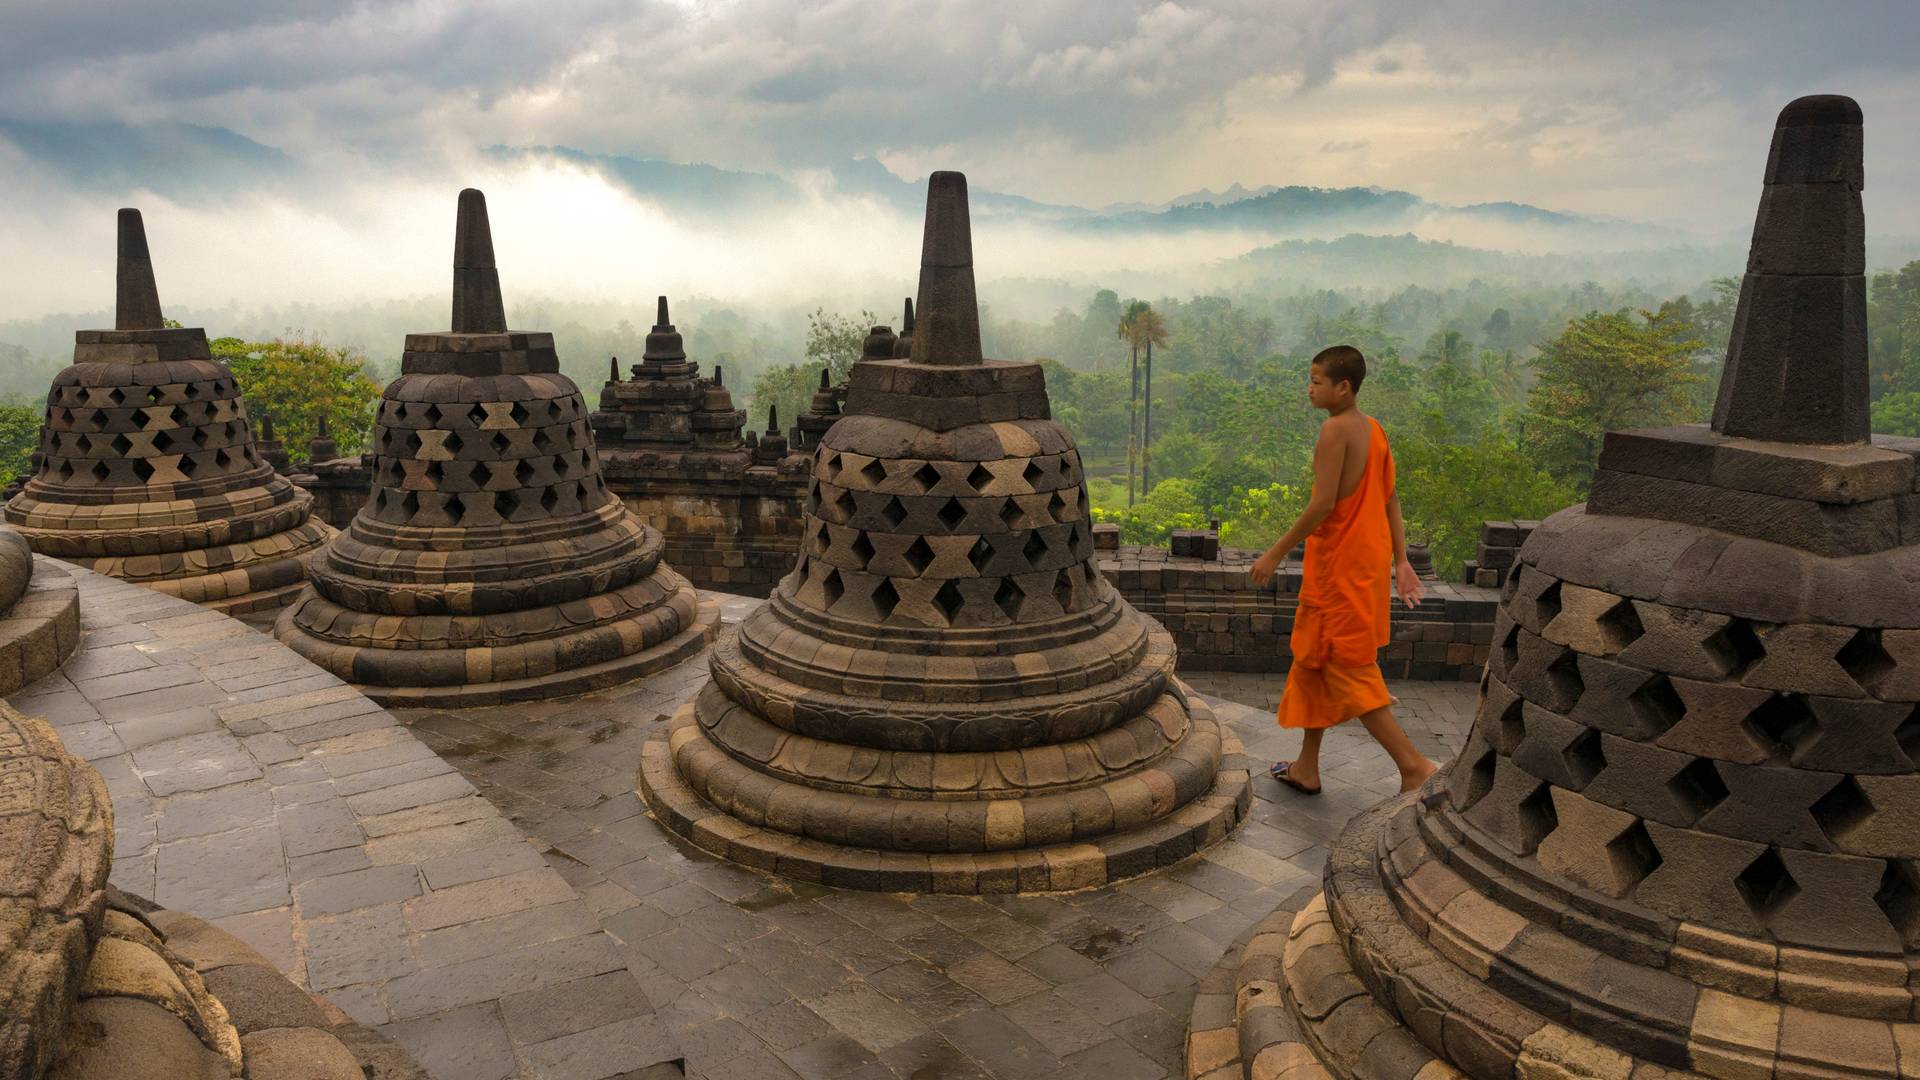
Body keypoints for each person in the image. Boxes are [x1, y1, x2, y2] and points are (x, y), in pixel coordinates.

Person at [1248, 345, 1436, 795]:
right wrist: (1402, 560)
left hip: (1339, 567)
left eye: (1316, 381)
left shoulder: (1335, 430)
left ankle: (1412, 767)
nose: (1309, 389)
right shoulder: (1374, 430)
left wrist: (1274, 552)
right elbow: (1389, 498)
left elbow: (1323, 504)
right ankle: (1305, 767)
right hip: (1365, 563)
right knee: (1314, 658)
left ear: (1343, 387)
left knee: (1348, 667)